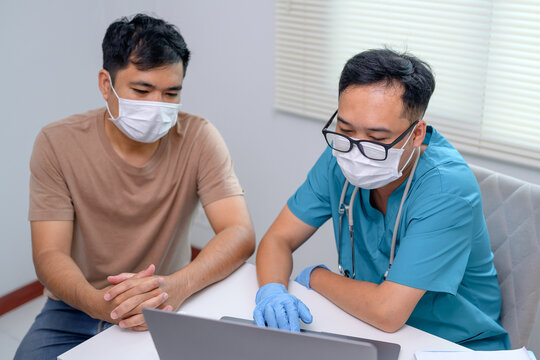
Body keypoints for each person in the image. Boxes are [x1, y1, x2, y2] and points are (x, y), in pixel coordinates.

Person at [15, 14, 255, 359]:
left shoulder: (199, 137)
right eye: (142, 90)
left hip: (167, 298)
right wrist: (98, 304)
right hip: (77, 305)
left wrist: (178, 286)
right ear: (105, 84)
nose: (157, 106)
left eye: (171, 93)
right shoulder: (56, 143)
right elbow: (49, 254)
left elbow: (239, 231)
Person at [253, 49, 510, 350]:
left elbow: (388, 312)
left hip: (451, 344)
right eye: (346, 129)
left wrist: (316, 276)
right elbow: (277, 239)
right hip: (367, 329)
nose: (355, 151)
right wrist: (272, 290)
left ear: (417, 135)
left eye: (376, 139)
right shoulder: (340, 156)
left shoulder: (446, 189)